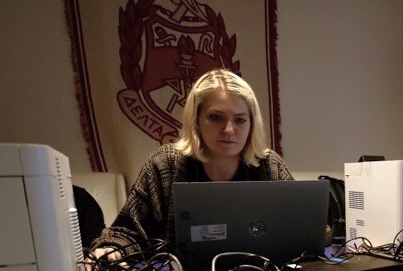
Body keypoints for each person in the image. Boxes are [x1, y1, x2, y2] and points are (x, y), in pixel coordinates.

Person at [92, 69, 293, 257]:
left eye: (240, 120)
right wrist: (111, 249)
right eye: (216, 117)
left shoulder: (268, 165)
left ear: (251, 124)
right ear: (196, 121)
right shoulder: (166, 165)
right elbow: (126, 231)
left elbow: (309, 228)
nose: (229, 130)